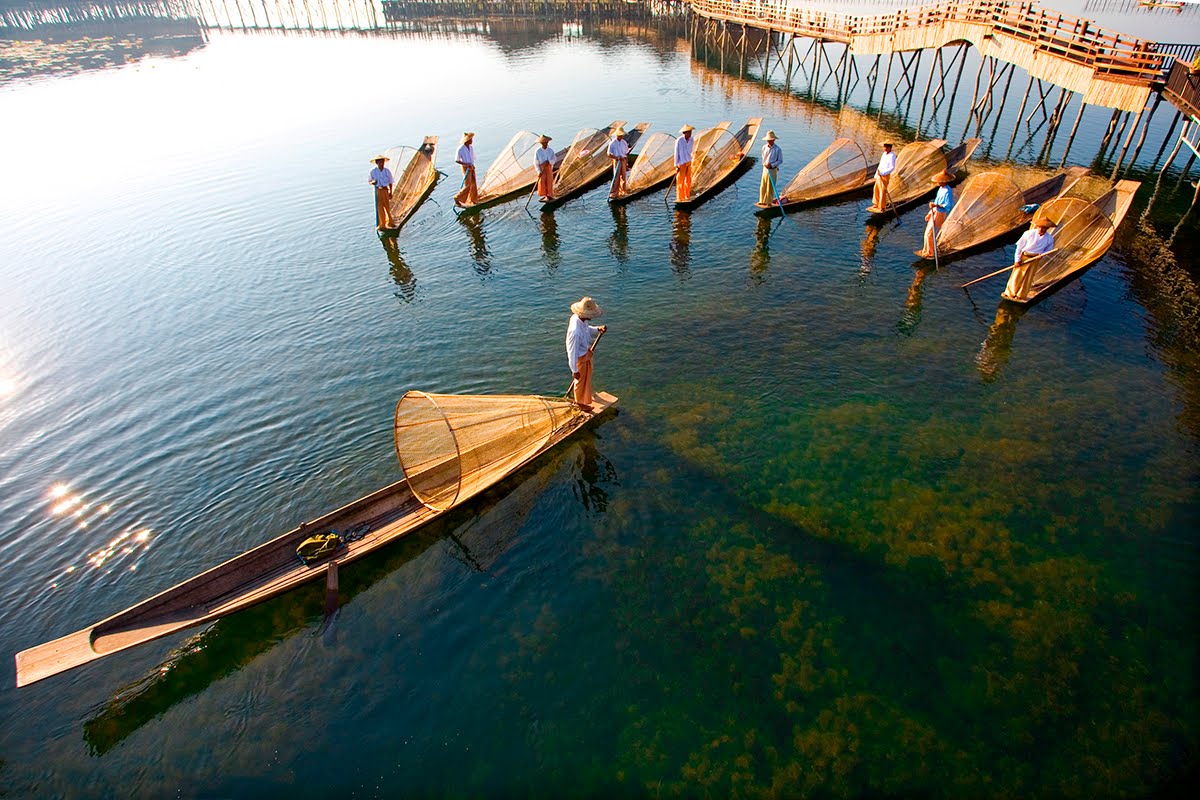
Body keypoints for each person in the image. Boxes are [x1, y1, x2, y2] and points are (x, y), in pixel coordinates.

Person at [565, 297, 607, 412]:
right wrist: (574, 370)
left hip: (585, 354)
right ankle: (580, 404)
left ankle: (585, 399)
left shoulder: (581, 320)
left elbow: (587, 329)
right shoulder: (575, 331)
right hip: (579, 358)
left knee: (585, 379)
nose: (592, 316)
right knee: (579, 382)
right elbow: (572, 351)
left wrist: (598, 329)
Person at [1003, 216, 1056, 301]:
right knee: (1017, 275)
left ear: (1047, 228)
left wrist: (1042, 255)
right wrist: (1017, 260)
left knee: (1028, 277)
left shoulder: (1049, 238)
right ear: (1037, 226)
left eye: (1044, 228)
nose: (1041, 229)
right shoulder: (1028, 233)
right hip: (1024, 257)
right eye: (1040, 227)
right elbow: (1019, 248)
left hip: (1035, 259)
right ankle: (1010, 293)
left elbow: (1048, 251)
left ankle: (1021, 295)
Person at [917, 170, 955, 258]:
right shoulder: (940, 189)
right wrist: (930, 213)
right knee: (927, 232)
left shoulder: (947, 191)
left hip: (940, 213)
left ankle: (930, 252)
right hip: (935, 211)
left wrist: (936, 205)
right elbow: (936, 201)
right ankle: (925, 249)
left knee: (930, 233)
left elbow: (948, 205)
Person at [368, 155, 394, 230]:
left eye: (382, 162)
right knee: (380, 208)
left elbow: (390, 182)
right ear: (377, 163)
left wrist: (390, 192)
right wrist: (373, 182)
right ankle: (382, 225)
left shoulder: (387, 171)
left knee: (387, 207)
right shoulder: (373, 171)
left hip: (385, 190)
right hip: (378, 190)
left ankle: (390, 222)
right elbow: (370, 181)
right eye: (379, 162)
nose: (381, 163)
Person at [454, 132, 478, 207]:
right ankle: (457, 198)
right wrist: (466, 165)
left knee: (473, 183)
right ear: (467, 140)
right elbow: (457, 160)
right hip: (465, 167)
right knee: (467, 184)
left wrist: (471, 165)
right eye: (471, 139)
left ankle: (473, 199)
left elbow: (472, 157)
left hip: (471, 166)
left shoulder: (470, 147)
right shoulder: (460, 149)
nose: (472, 141)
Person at [759, 130, 783, 205]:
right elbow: (763, 158)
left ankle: (769, 202)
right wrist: (765, 164)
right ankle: (762, 201)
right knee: (763, 185)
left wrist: (772, 165)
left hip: (772, 170)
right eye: (768, 140)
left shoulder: (778, 149)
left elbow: (780, 160)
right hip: (765, 169)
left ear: (774, 140)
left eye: (770, 140)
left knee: (770, 186)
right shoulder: (764, 147)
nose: (769, 141)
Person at [871, 141, 896, 210]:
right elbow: (880, 164)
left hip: (885, 175)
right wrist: (876, 174)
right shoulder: (884, 154)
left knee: (882, 190)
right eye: (884, 147)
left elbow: (892, 168)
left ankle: (881, 206)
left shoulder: (892, 156)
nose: (884, 148)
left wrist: (883, 173)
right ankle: (876, 203)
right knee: (876, 188)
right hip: (879, 174)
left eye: (886, 147)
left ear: (889, 148)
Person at [607, 127, 631, 198]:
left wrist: (626, 163)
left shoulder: (624, 143)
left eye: (622, 135)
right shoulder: (612, 143)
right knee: (616, 177)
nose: (621, 136)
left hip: (623, 160)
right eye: (620, 135)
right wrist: (616, 157)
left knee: (623, 176)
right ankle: (615, 192)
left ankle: (623, 191)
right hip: (617, 160)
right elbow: (609, 153)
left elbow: (626, 153)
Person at [674, 124, 695, 202]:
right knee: (680, 181)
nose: (690, 134)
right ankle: (680, 197)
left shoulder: (691, 140)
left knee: (688, 180)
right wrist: (676, 165)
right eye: (689, 132)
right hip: (681, 163)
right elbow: (676, 153)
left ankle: (687, 195)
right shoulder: (679, 141)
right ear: (685, 133)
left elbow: (691, 150)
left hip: (688, 162)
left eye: (690, 132)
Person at [535, 134, 556, 202]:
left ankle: (550, 195)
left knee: (549, 181)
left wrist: (549, 162)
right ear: (541, 143)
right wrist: (538, 171)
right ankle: (545, 195)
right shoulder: (538, 151)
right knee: (543, 182)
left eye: (546, 142)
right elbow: (536, 162)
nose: (545, 144)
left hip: (548, 167)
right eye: (544, 143)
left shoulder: (550, 150)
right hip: (542, 168)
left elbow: (554, 158)